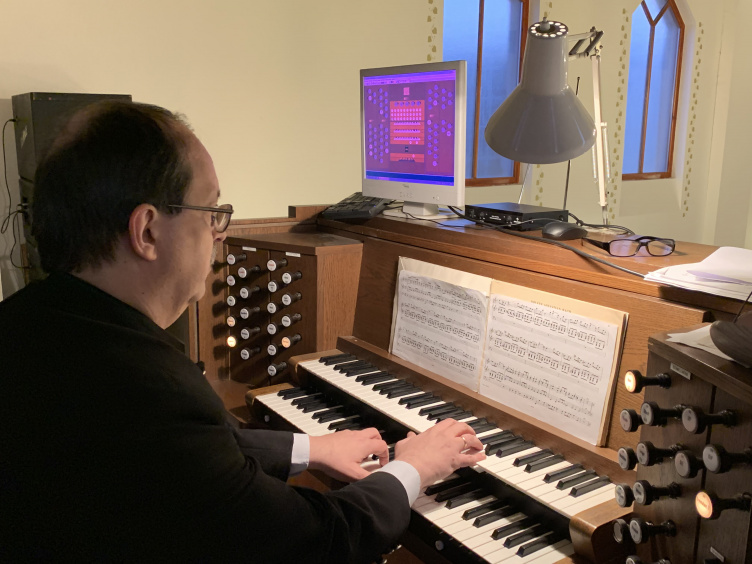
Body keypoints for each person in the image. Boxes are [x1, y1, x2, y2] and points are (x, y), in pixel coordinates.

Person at [0, 101, 486, 563]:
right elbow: (318, 541)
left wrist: (312, 448)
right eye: (211, 212)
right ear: (147, 231)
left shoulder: (34, 322)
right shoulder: (147, 390)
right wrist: (414, 467)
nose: (221, 233)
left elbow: (188, 451)